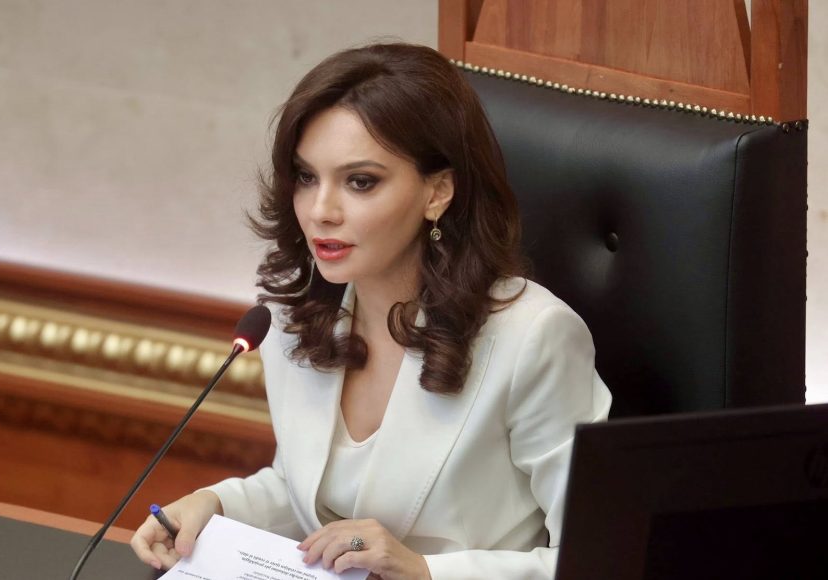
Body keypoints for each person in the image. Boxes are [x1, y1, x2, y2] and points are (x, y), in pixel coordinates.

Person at [130, 42, 611, 580]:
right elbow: (310, 493)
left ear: (438, 192)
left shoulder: (534, 337)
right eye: (306, 177)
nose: (321, 211)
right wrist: (215, 505)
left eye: (360, 182)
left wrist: (424, 571)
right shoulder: (296, 316)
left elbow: (594, 561)